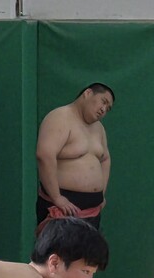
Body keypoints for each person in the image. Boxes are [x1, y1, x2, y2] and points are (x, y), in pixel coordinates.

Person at [35, 83, 113, 232]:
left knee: (88, 248)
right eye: (103, 102)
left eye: (108, 108)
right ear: (88, 93)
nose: (104, 110)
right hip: (63, 209)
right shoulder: (60, 117)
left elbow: (105, 159)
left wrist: (101, 195)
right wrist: (57, 197)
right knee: (60, 247)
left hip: (92, 212)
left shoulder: (99, 128)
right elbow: (45, 155)